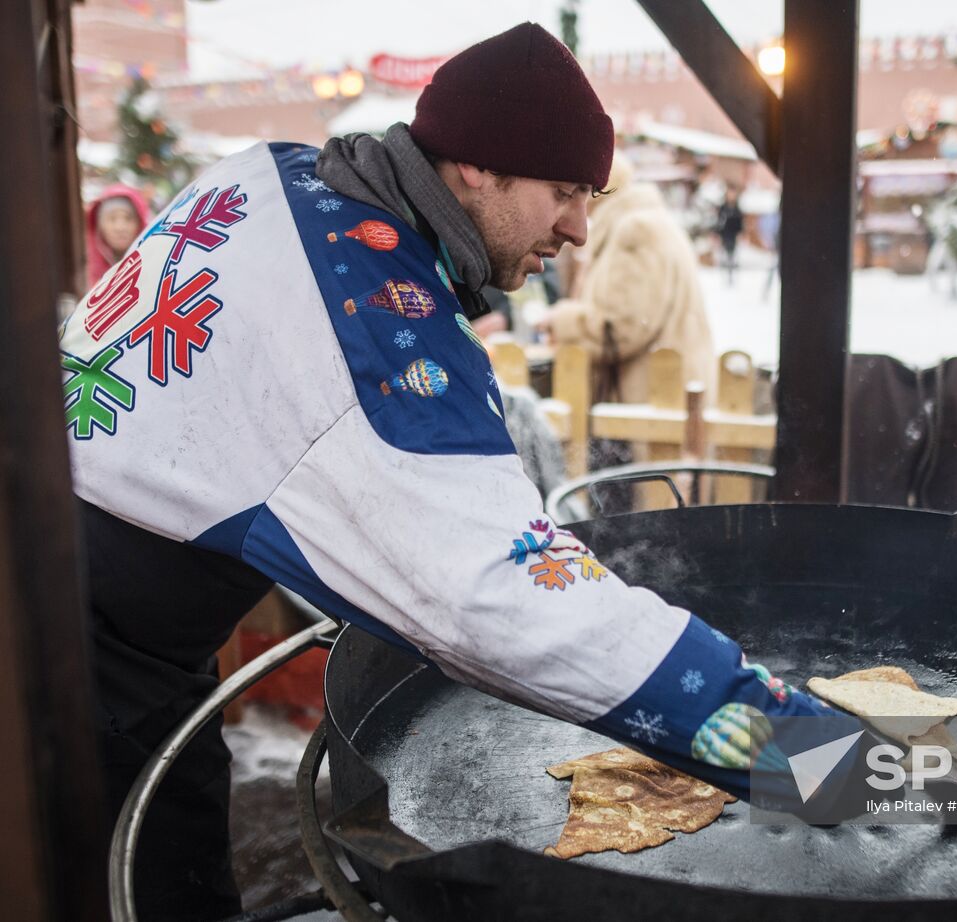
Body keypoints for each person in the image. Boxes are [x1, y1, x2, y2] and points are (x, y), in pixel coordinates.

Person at [61, 23, 853, 921]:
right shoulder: (374, 348)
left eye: (590, 196)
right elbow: (504, 601)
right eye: (562, 192)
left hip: (95, 591)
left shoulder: (273, 173)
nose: (580, 229)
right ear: (476, 167)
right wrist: (806, 751)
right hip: (74, 656)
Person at [538, 153, 715, 408]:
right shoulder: (646, 221)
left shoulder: (635, 230)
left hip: (651, 398)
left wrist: (561, 321)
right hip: (667, 392)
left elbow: (623, 325)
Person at [85, 183, 150, 287]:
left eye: (128, 218)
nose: (120, 227)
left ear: (140, 224)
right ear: (100, 227)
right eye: (112, 219)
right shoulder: (86, 275)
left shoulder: (154, 266)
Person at [713, 185, 744, 285]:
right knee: (724, 256)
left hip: (733, 235)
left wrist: (741, 233)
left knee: (732, 256)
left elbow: (740, 223)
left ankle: (732, 276)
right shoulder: (723, 208)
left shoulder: (737, 208)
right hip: (724, 235)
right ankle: (725, 276)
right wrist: (717, 234)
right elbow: (719, 223)